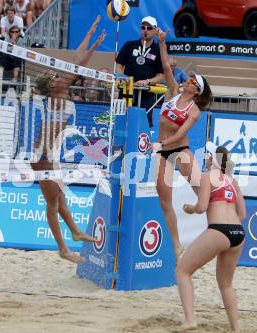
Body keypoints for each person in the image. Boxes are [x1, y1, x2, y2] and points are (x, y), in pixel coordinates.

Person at [30, 17, 106, 264]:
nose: (57, 75)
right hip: (43, 156)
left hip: (47, 155)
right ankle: (63, 248)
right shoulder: (58, 90)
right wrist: (91, 40)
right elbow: (76, 62)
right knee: (53, 204)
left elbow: (77, 63)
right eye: (53, 75)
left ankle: (73, 232)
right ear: (51, 84)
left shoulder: (56, 92)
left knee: (59, 199)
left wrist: (94, 43)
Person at [152, 28, 212, 261]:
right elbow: (167, 67)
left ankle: (205, 213)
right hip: (163, 152)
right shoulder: (174, 92)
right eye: (189, 79)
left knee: (201, 191)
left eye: (192, 81)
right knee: (164, 200)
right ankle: (177, 245)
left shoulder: (194, 109)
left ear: (196, 90)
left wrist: (162, 143)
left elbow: (180, 134)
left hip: (179, 149)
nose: (187, 80)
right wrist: (162, 43)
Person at [178, 145, 246, 331]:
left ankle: (190, 319)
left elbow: (201, 207)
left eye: (208, 156)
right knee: (226, 284)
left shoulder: (208, 177)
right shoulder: (233, 181)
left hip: (219, 229)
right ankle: (236, 327)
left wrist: (189, 209)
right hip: (238, 233)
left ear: (212, 160)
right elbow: (242, 213)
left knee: (183, 271)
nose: (206, 158)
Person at [116, 16, 164, 127]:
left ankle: (141, 144)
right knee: (121, 122)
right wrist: (124, 78)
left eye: (149, 28)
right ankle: (119, 144)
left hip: (146, 95)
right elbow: (118, 66)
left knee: (144, 124)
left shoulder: (158, 50)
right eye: (143, 27)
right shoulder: (129, 45)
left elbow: (161, 76)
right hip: (126, 92)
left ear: (155, 29)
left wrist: (147, 81)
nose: (145, 30)